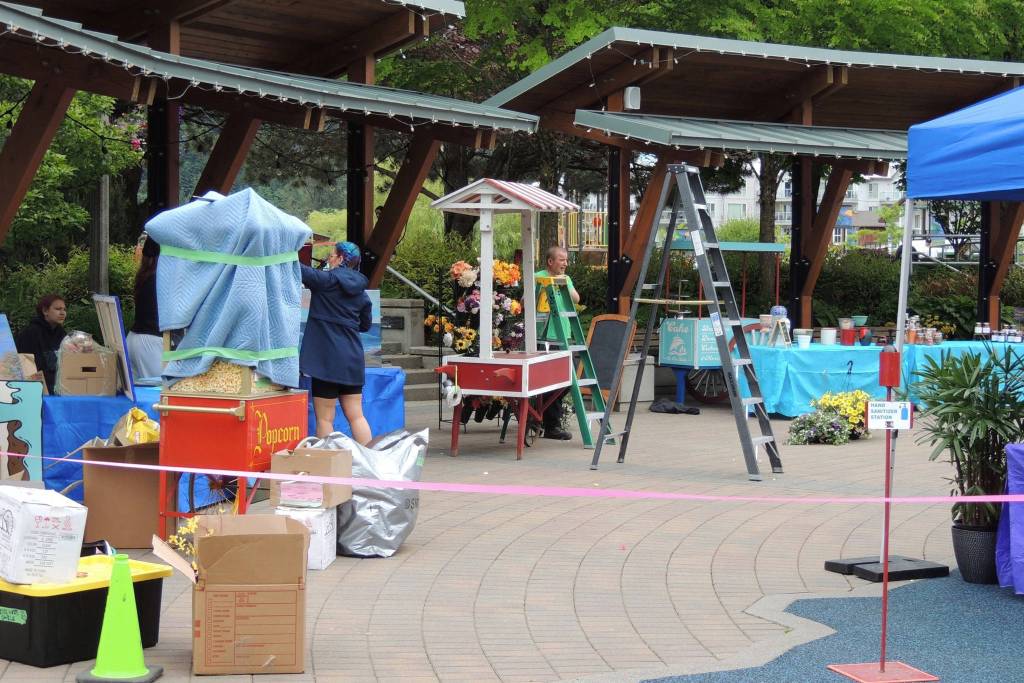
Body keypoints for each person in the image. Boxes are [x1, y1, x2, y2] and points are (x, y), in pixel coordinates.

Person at [300, 241, 373, 442]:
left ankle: (327, 468)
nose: (329, 259)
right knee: (357, 415)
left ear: (340, 259)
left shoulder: (325, 281)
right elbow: (365, 325)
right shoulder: (361, 292)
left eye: (332, 256)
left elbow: (295, 268)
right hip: (352, 358)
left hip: (326, 360)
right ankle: (370, 463)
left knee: (325, 419)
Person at [534, 245, 579, 440]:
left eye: (566, 260)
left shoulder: (565, 279)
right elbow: (527, 300)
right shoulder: (539, 277)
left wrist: (564, 284)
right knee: (547, 381)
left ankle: (544, 418)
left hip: (564, 336)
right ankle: (549, 424)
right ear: (550, 261)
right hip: (544, 337)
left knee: (567, 381)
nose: (565, 264)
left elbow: (576, 298)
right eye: (561, 260)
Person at [127, 232, 163, 379]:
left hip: (133, 339)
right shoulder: (160, 277)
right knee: (158, 395)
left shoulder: (144, 275)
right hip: (151, 342)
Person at [16, 294, 67, 392]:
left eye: (64, 309)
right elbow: (25, 365)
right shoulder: (30, 333)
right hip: (36, 389)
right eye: (58, 309)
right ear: (45, 311)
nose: (62, 313)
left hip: (60, 387)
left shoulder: (62, 334)